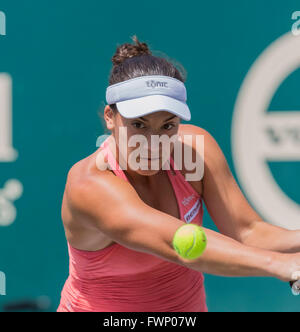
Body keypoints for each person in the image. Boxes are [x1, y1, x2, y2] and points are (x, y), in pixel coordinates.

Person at [57, 36, 300, 312]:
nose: (154, 141)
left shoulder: (198, 150)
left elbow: (248, 231)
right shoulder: (88, 185)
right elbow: (178, 244)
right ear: (110, 117)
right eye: (139, 124)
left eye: (168, 126)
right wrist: (283, 265)